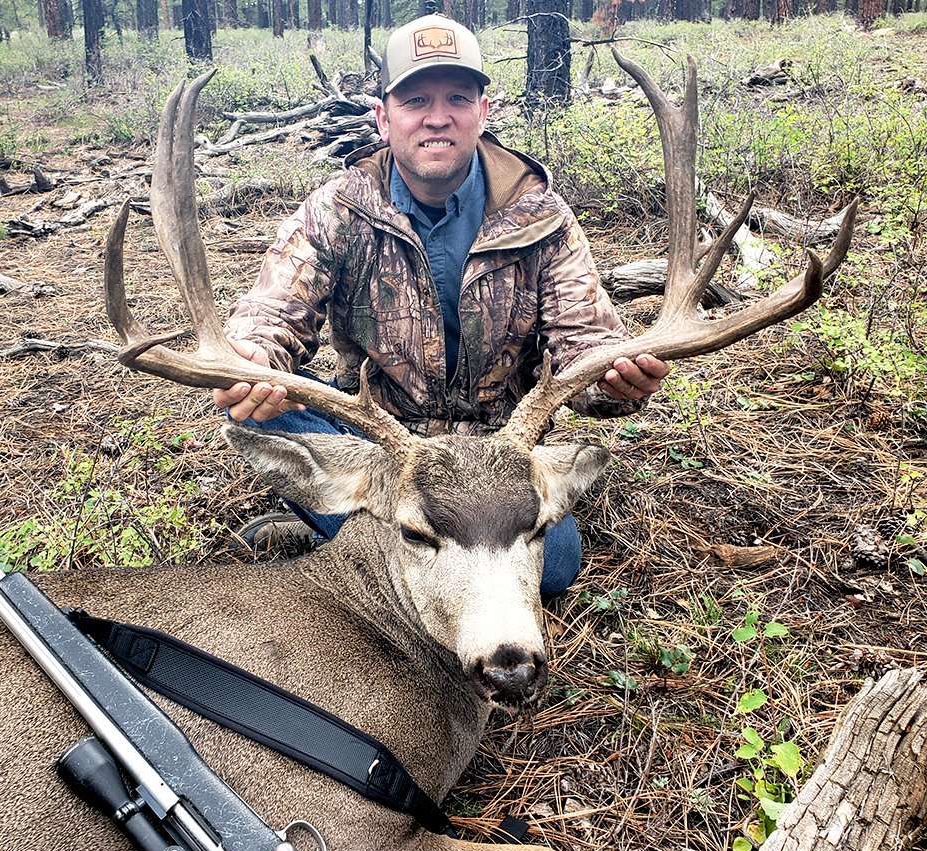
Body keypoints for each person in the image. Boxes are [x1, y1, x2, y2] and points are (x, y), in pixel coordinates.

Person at [212, 13, 669, 594]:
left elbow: (587, 342)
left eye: (457, 97)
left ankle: (352, 539)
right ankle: (377, 531)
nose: (437, 117)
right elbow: (272, 314)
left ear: (484, 110)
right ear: (383, 117)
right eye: (415, 99)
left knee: (553, 567)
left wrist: (615, 377)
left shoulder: (543, 217)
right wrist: (253, 358)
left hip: (496, 458)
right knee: (257, 408)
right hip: (383, 450)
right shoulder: (336, 209)